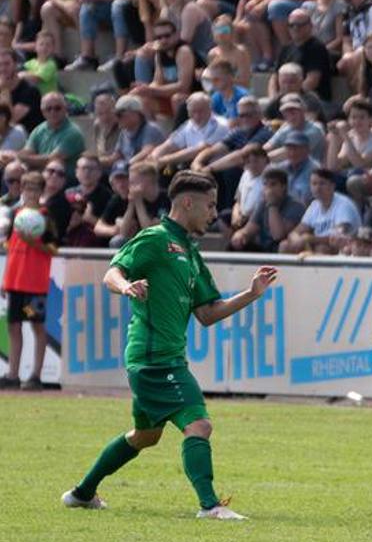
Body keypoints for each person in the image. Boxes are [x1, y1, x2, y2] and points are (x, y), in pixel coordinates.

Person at [61, 171, 278, 520]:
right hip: (155, 359)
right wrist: (126, 287)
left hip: (161, 358)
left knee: (145, 436)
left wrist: (251, 295)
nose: (213, 213)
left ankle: (82, 494)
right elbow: (112, 273)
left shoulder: (190, 252)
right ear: (187, 203)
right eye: (209, 205)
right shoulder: (155, 239)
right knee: (199, 425)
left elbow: (208, 313)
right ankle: (209, 506)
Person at [0, 171, 57, 391]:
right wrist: (5, 280)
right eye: (26, 188)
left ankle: (35, 375)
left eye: (34, 189)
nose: (29, 193)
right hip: (15, 281)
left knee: (37, 326)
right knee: (13, 326)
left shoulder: (45, 216)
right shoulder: (17, 214)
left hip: (35, 284)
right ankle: (13, 374)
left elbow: (53, 248)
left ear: (41, 191)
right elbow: (11, 248)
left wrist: (33, 242)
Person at [280, 168, 359, 254]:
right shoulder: (315, 205)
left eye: (322, 183)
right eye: (314, 184)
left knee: (322, 248)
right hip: (317, 245)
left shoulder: (343, 204)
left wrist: (309, 239)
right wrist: (297, 239)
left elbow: (337, 238)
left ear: (332, 186)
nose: (317, 188)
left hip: (346, 249)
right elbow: (297, 231)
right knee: (284, 245)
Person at [229, 166, 304, 252]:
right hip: (264, 246)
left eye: (273, 184)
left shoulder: (296, 206)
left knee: (282, 246)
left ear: (284, 186)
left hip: (281, 247)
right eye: (265, 184)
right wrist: (240, 234)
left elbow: (278, 236)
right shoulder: (262, 204)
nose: (269, 189)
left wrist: (272, 205)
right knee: (235, 244)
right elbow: (250, 228)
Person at [19, 93, 86, 175]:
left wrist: (23, 158)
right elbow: (28, 151)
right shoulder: (39, 129)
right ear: (43, 112)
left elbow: (51, 160)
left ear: (65, 109)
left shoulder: (73, 133)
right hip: (40, 176)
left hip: (63, 179)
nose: (53, 112)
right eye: (48, 109)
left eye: (57, 108)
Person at [116, 162, 171, 247]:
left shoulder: (168, 199)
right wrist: (131, 205)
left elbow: (149, 232)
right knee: (117, 241)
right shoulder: (135, 198)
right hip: (141, 243)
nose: (130, 187)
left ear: (148, 181)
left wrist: (138, 203)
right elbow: (123, 233)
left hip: (163, 242)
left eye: (133, 182)